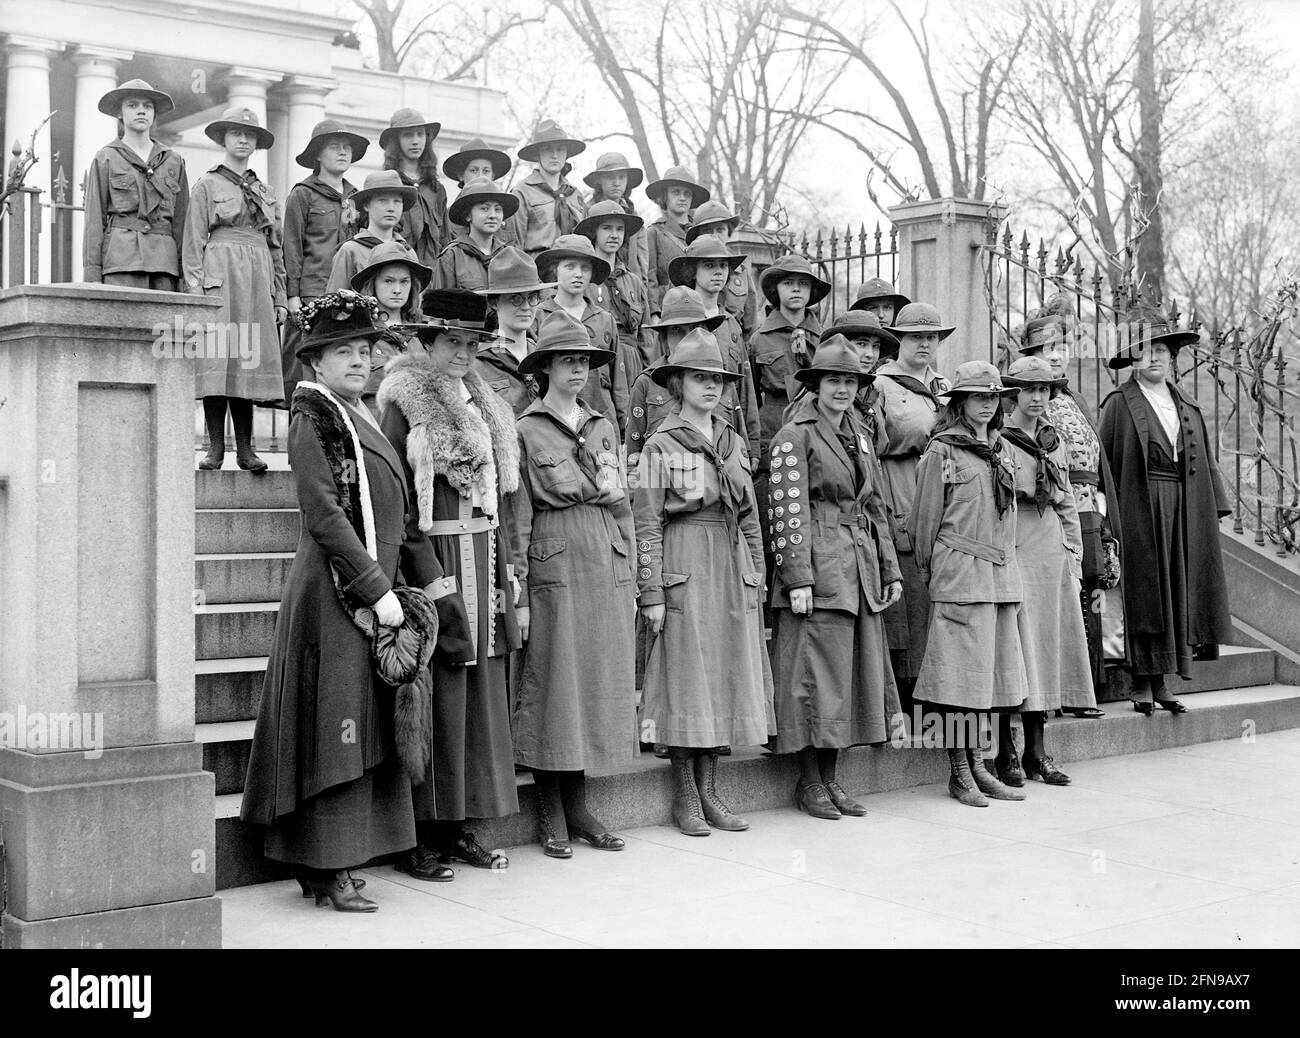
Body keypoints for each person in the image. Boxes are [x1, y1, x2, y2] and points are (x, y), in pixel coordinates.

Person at [241, 292, 448, 911]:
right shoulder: (315, 416)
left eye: (364, 350)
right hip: (335, 594)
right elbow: (324, 515)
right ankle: (326, 867)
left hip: (371, 592)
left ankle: (333, 862)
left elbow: (403, 517)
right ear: (316, 361)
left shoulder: (361, 417)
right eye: (344, 352)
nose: (359, 361)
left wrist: (423, 586)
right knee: (334, 727)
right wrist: (375, 589)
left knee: (356, 725)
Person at [378, 289, 523, 877]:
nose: (463, 352)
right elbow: (394, 503)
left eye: (472, 343)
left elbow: (501, 505)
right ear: (427, 342)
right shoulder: (404, 403)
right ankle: (418, 835)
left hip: (483, 555)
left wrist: (508, 572)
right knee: (434, 693)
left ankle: (460, 824)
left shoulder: (486, 402)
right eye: (451, 342)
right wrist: (430, 581)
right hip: (434, 557)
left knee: (477, 699)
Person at [634, 330, 773, 835]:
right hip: (685, 558)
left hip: (730, 562)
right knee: (685, 678)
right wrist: (651, 590)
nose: (711, 387)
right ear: (677, 383)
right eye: (699, 378)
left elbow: (751, 515)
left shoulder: (733, 440)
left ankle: (711, 789)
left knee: (722, 674)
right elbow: (645, 522)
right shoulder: (657, 445)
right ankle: (686, 795)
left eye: (717, 378)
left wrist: (755, 573)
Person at [511, 310, 637, 857]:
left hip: (602, 555)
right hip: (553, 559)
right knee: (553, 683)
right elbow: (517, 513)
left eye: (585, 360)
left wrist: (630, 567)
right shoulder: (525, 429)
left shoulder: (603, 425)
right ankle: (550, 808)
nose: (579, 369)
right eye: (568, 360)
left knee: (591, 682)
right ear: (544, 369)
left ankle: (580, 806)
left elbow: (624, 502)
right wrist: (516, 584)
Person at [767, 336, 902, 819]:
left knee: (847, 677)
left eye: (850, 381)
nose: (843, 389)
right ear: (816, 385)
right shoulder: (794, 434)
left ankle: (832, 777)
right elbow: (786, 510)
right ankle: (810, 783)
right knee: (814, 678)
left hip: (859, 564)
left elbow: (876, 505)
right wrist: (797, 576)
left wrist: (889, 567)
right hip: (819, 565)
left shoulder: (862, 432)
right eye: (834, 381)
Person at [1099, 307, 1232, 714]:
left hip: (1181, 506)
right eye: (1144, 351)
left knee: (1176, 588)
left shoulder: (1186, 405)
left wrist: (1211, 510)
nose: (1153, 357)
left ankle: (1165, 681)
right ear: (1133, 359)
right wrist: (1108, 521)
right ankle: (1141, 679)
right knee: (1144, 589)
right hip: (1139, 506)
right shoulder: (1120, 404)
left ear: (1172, 356)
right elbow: (1104, 465)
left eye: (1160, 349)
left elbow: (1205, 463)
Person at [910, 361, 1027, 808]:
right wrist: (934, 572)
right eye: (978, 396)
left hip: (999, 578)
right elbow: (924, 522)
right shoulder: (942, 451)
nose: (987, 404)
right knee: (958, 682)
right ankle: (959, 771)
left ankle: (978, 764)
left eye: (993, 396)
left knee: (987, 681)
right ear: (959, 401)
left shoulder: (1001, 448)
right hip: (960, 574)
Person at [997, 356, 1094, 785]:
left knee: (1048, 648)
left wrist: (1073, 554)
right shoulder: (999, 439)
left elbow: (1067, 497)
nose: (1037, 398)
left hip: (1050, 545)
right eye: (1029, 390)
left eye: (1045, 390)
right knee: (1014, 649)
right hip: (1014, 543)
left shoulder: (1054, 440)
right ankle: (1006, 752)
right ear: (1013, 393)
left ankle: (1038, 751)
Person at [1020, 314, 1117, 716]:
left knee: (1090, 591)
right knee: (1064, 594)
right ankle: (1055, 692)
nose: (1057, 356)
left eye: (1062, 348)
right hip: (1054, 505)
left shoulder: (1073, 399)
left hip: (1088, 503)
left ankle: (1086, 688)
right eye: (1047, 349)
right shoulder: (1026, 401)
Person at [184, 106, 286, 472]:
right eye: (235, 133)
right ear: (223, 139)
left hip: (257, 278)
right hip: (220, 274)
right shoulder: (207, 185)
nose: (243, 140)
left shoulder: (266, 191)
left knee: (247, 360)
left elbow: (276, 247)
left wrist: (280, 296)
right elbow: (193, 240)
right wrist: (197, 289)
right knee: (217, 360)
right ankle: (214, 448)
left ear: (257, 143)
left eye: (250, 135)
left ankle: (247, 449)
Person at [874, 302, 953, 709]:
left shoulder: (945, 386)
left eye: (932, 337)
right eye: (916, 337)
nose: (925, 344)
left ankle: (937, 692)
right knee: (909, 600)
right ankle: (906, 699)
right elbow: (870, 450)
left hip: (944, 500)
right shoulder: (881, 386)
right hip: (901, 490)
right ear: (899, 341)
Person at [750, 253, 828, 585]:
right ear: (775, 290)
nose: (796, 290)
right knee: (774, 517)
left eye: (803, 284)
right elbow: (750, 396)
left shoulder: (826, 337)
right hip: (774, 429)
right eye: (788, 284)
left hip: (816, 429)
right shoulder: (759, 339)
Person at [281, 118, 367, 402]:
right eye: (334, 147)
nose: (343, 153)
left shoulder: (356, 199)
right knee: (308, 370)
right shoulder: (302, 194)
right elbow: (291, 247)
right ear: (318, 154)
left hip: (347, 296)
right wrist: (292, 295)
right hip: (312, 296)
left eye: (347, 148)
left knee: (343, 366)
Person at [83, 79, 188, 291]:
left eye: (147, 106)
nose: (141, 111)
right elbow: (94, 219)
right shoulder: (106, 158)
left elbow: (182, 221)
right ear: (120, 113)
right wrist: (92, 275)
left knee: (164, 325)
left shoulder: (173, 161)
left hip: (164, 266)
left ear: (154, 113)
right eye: (132, 105)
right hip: (122, 263)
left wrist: (185, 273)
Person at [668, 234, 760, 455]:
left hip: (727, 431)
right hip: (683, 432)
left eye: (723, 265)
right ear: (693, 272)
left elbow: (745, 388)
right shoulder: (678, 322)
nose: (719, 271)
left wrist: (753, 444)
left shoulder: (732, 326)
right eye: (709, 265)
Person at [534, 234, 627, 434]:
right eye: (570, 267)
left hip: (601, 419)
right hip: (555, 421)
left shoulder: (604, 319)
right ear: (554, 270)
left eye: (585, 268)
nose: (578, 274)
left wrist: (622, 425)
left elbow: (618, 382)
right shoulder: (540, 316)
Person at [348, 240, 430, 417]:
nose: (397, 290)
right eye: (388, 281)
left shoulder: (423, 334)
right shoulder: (360, 331)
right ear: (373, 284)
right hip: (375, 428)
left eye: (404, 282)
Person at [577, 198, 649, 389]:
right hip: (596, 362)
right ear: (594, 232)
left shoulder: (633, 282)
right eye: (607, 228)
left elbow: (646, 337)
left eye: (619, 229)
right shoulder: (584, 279)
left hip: (631, 363)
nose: (614, 235)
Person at [474, 246, 554, 415]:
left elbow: (572, 409)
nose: (526, 307)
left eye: (532, 297)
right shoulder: (478, 363)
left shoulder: (547, 356)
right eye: (515, 299)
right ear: (494, 302)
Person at [503, 119, 587, 255]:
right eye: (547, 149)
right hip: (537, 269)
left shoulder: (575, 194)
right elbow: (514, 246)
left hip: (572, 268)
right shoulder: (522, 192)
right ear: (537, 154)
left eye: (560, 149)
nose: (554, 155)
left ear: (566, 154)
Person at [381, 107, 449, 266]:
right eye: (408, 135)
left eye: (420, 134)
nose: (415, 141)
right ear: (396, 141)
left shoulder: (436, 189)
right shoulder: (386, 185)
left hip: (434, 275)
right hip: (397, 270)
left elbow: (445, 238)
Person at [326, 170, 413, 291]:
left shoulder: (407, 251)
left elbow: (415, 302)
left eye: (397, 202)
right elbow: (333, 301)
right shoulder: (351, 250)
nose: (391, 208)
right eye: (383, 201)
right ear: (367, 205)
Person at [644, 165, 709, 319]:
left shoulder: (702, 233)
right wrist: (654, 314)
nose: (682, 198)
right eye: (676, 192)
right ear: (665, 196)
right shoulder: (654, 233)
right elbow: (650, 277)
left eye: (687, 193)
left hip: (701, 310)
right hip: (669, 311)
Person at [687, 200, 758, 340]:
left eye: (720, 230)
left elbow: (751, 326)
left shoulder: (741, 273)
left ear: (728, 232)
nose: (714, 235)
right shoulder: (687, 268)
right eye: (707, 231)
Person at [434, 177, 518, 292]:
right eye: (484, 209)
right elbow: (438, 305)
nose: (493, 215)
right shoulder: (452, 257)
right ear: (468, 215)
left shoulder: (510, 255)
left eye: (498, 209)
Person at [582, 151, 648, 280]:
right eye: (609, 177)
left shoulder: (632, 213)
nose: (616, 183)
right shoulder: (587, 212)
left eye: (621, 177)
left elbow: (643, 256)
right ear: (599, 181)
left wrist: (642, 286)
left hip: (630, 282)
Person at [442, 137, 512, 189]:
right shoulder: (454, 209)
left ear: (492, 176)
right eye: (473, 171)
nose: (480, 176)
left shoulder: (500, 207)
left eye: (486, 171)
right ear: (461, 175)